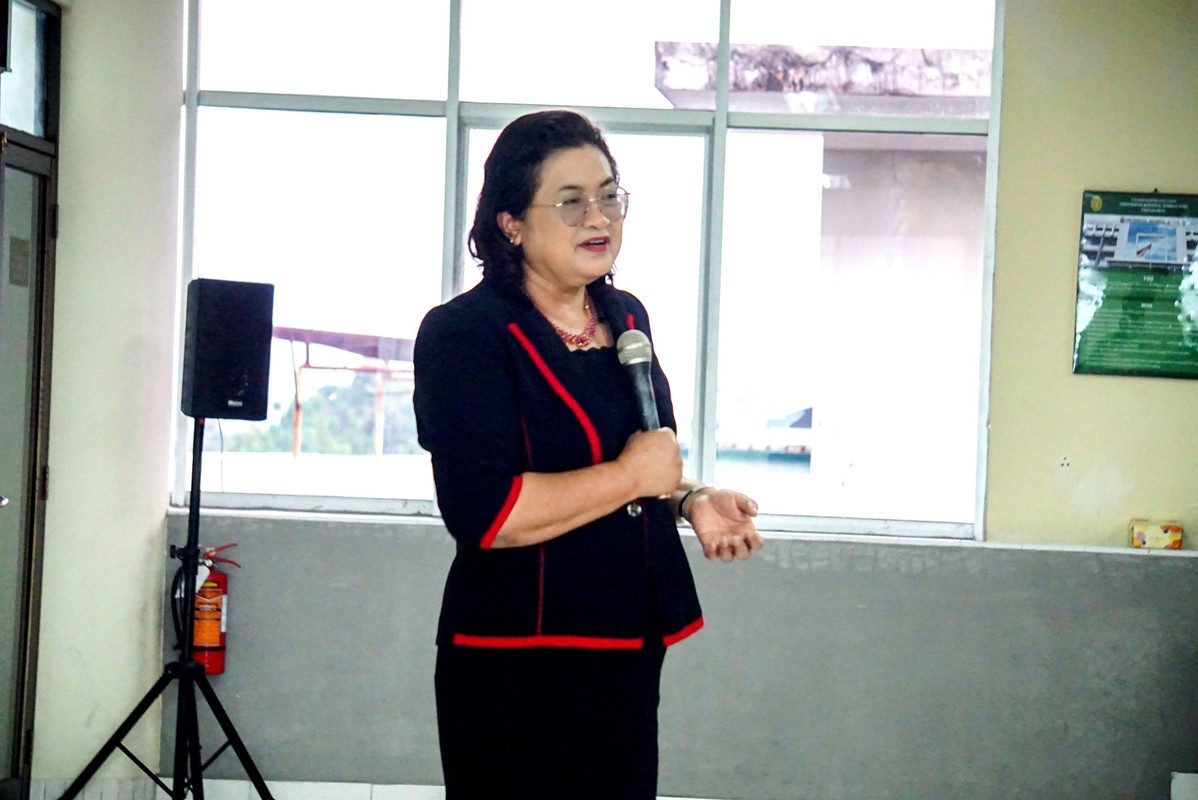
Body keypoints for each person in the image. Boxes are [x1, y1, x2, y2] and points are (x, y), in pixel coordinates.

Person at [413, 109, 763, 800]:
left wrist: (688, 497)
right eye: (570, 201)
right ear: (511, 223)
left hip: (626, 641)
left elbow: (644, 457)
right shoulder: (465, 335)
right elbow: (487, 514)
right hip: (518, 658)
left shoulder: (625, 316)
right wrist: (632, 476)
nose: (597, 217)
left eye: (608, 196)